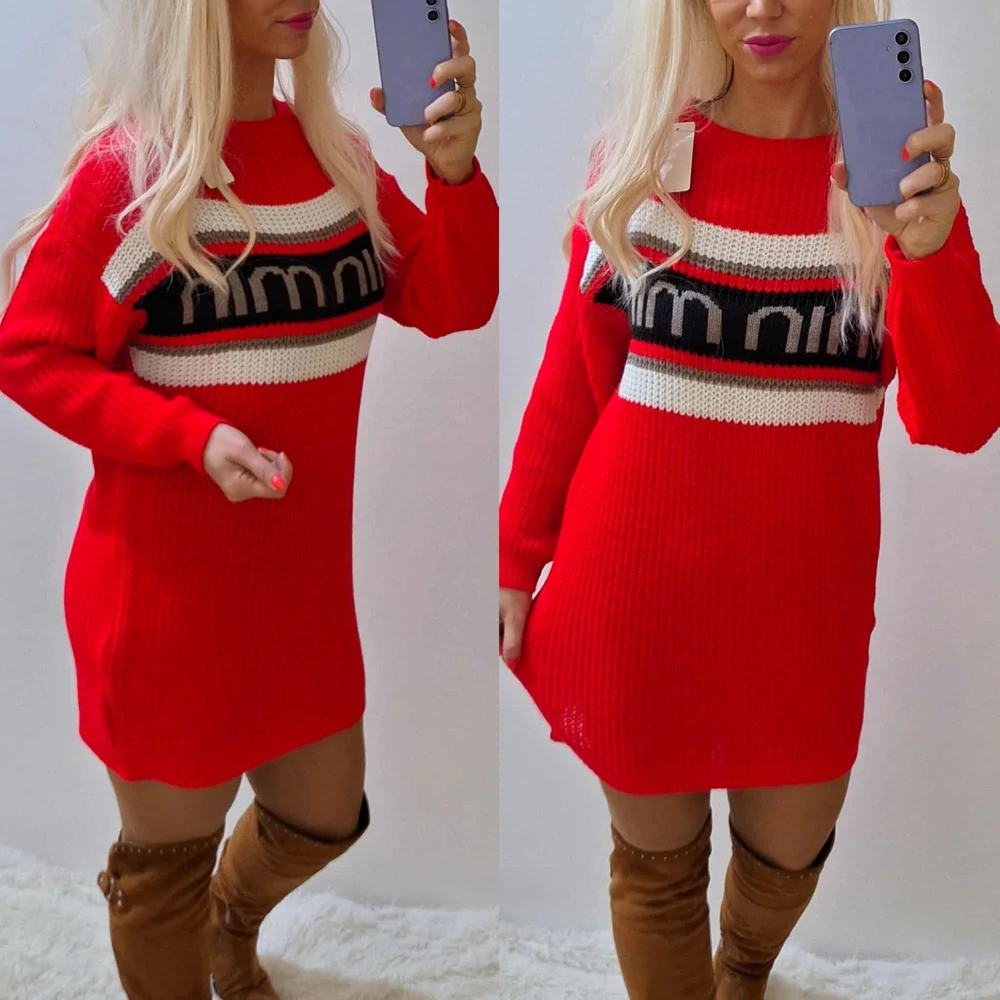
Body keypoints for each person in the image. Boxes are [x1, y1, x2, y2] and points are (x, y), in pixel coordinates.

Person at [498, 1, 997, 997]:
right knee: (655, 874)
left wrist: (927, 247)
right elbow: (574, 376)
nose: (760, 6)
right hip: (633, 591)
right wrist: (516, 554)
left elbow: (961, 415)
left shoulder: (892, 185)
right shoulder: (641, 156)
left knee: (785, 858)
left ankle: (743, 973)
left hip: (803, 607)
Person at [0, 2, 497, 998]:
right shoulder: (133, 174)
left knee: (324, 814)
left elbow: (452, 301)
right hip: (165, 603)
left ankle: (229, 932)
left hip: (298, 596)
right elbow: (29, 352)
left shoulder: (337, 157)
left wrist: (451, 174)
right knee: (163, 875)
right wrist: (189, 436)